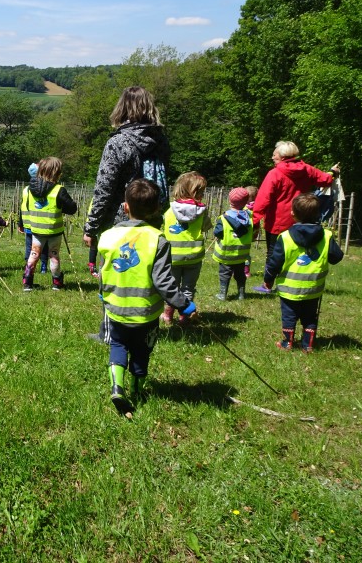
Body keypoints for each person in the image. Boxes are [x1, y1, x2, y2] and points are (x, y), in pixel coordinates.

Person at [96, 179, 195, 413]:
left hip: (115, 309)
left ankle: (117, 386)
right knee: (141, 351)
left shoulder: (107, 236)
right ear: (156, 209)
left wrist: (103, 294)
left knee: (118, 345)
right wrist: (184, 304)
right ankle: (137, 390)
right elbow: (163, 282)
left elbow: (103, 271)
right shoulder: (158, 239)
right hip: (146, 314)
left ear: (125, 206)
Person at [84, 86, 170, 249]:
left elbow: (104, 189)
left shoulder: (117, 143)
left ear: (122, 108)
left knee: (116, 264)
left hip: (119, 223)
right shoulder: (161, 142)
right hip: (151, 220)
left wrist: (91, 227)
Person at [260, 193, 343, 353]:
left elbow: (274, 263)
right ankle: (308, 345)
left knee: (289, 316)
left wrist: (268, 280)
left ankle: (287, 343)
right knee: (310, 317)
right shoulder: (326, 236)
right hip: (313, 289)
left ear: (293, 213)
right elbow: (336, 257)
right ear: (318, 213)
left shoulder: (285, 237)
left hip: (289, 289)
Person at [252, 140, 338, 283]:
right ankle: (296, 280)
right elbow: (326, 179)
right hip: (302, 219)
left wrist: (255, 221)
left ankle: (268, 284)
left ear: (283, 157)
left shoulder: (274, 174)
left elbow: (263, 199)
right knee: (299, 252)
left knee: (273, 253)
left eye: (274, 155)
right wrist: (333, 172)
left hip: (277, 221)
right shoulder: (307, 169)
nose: (272, 157)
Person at [161, 171, 212, 325]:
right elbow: (205, 228)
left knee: (172, 287)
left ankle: (168, 314)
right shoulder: (202, 211)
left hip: (173, 257)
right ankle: (184, 317)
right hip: (194, 257)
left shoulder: (169, 211)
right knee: (188, 288)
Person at [22, 156, 78, 291]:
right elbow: (72, 208)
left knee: (34, 254)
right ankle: (57, 282)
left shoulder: (29, 189)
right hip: (54, 230)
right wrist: (60, 208)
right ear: (56, 173)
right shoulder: (59, 189)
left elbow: (28, 206)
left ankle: (27, 282)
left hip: (36, 229)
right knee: (54, 255)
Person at [212, 187, 254, 301]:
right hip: (241, 255)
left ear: (230, 201)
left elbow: (218, 232)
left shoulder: (223, 218)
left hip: (226, 255)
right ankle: (241, 294)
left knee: (225, 274)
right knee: (240, 274)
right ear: (246, 202)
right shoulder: (249, 217)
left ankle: (222, 294)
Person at [18, 162, 49, 273]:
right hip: (41, 223)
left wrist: (20, 223)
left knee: (29, 246)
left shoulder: (26, 189)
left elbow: (22, 207)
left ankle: (29, 266)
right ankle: (43, 266)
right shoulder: (46, 188)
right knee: (44, 246)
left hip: (28, 223)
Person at [243, 185, 259, 277]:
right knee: (246, 252)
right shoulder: (256, 207)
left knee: (243, 253)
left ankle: (244, 270)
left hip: (244, 234)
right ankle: (245, 271)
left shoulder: (245, 208)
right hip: (251, 233)